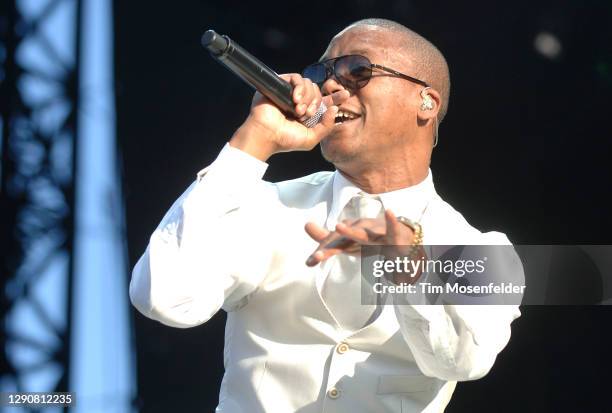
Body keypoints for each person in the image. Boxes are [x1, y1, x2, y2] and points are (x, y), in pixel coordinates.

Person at [129, 18, 522, 413]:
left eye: (357, 70)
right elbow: (163, 297)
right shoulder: (266, 206)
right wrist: (253, 141)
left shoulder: (484, 250)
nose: (331, 86)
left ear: (426, 102)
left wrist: (410, 270)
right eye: (321, 74)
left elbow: (464, 359)